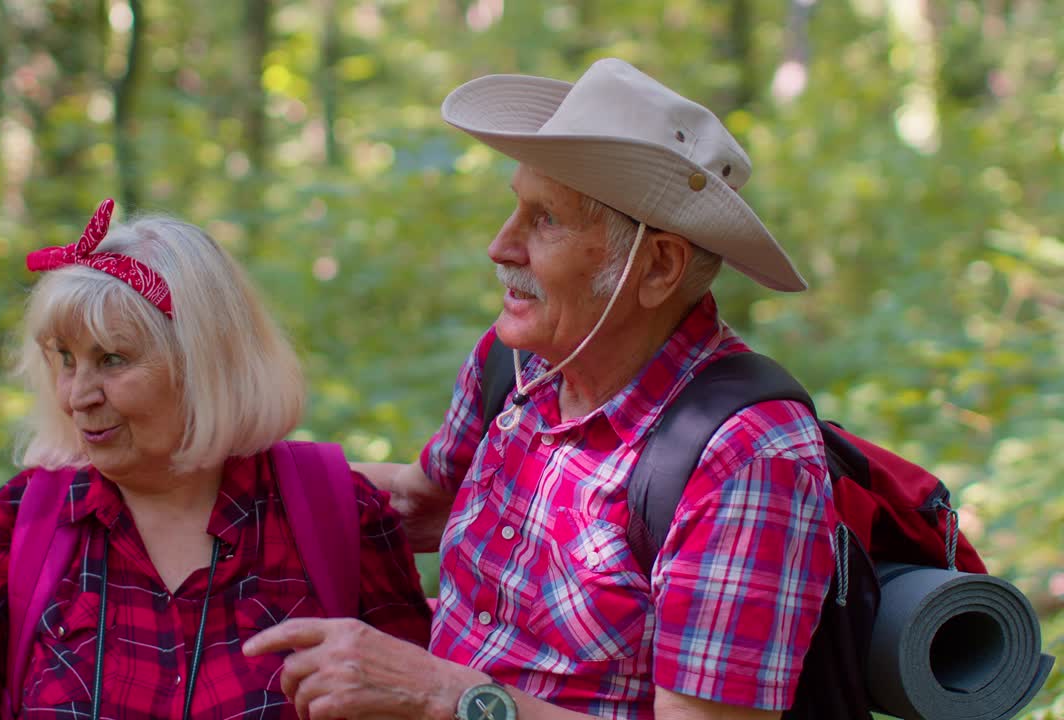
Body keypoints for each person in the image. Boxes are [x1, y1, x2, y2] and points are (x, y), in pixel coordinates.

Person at [244, 58, 835, 720]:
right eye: (515, 207)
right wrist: (205, 475)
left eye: (545, 218)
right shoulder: (519, 364)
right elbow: (420, 500)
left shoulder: (746, 453)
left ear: (659, 266)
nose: (500, 246)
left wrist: (441, 693)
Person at [0, 200, 431, 719]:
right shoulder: (22, 526)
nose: (76, 395)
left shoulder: (334, 513)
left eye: (112, 360)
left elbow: (422, 700)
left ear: (203, 365)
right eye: (64, 360)